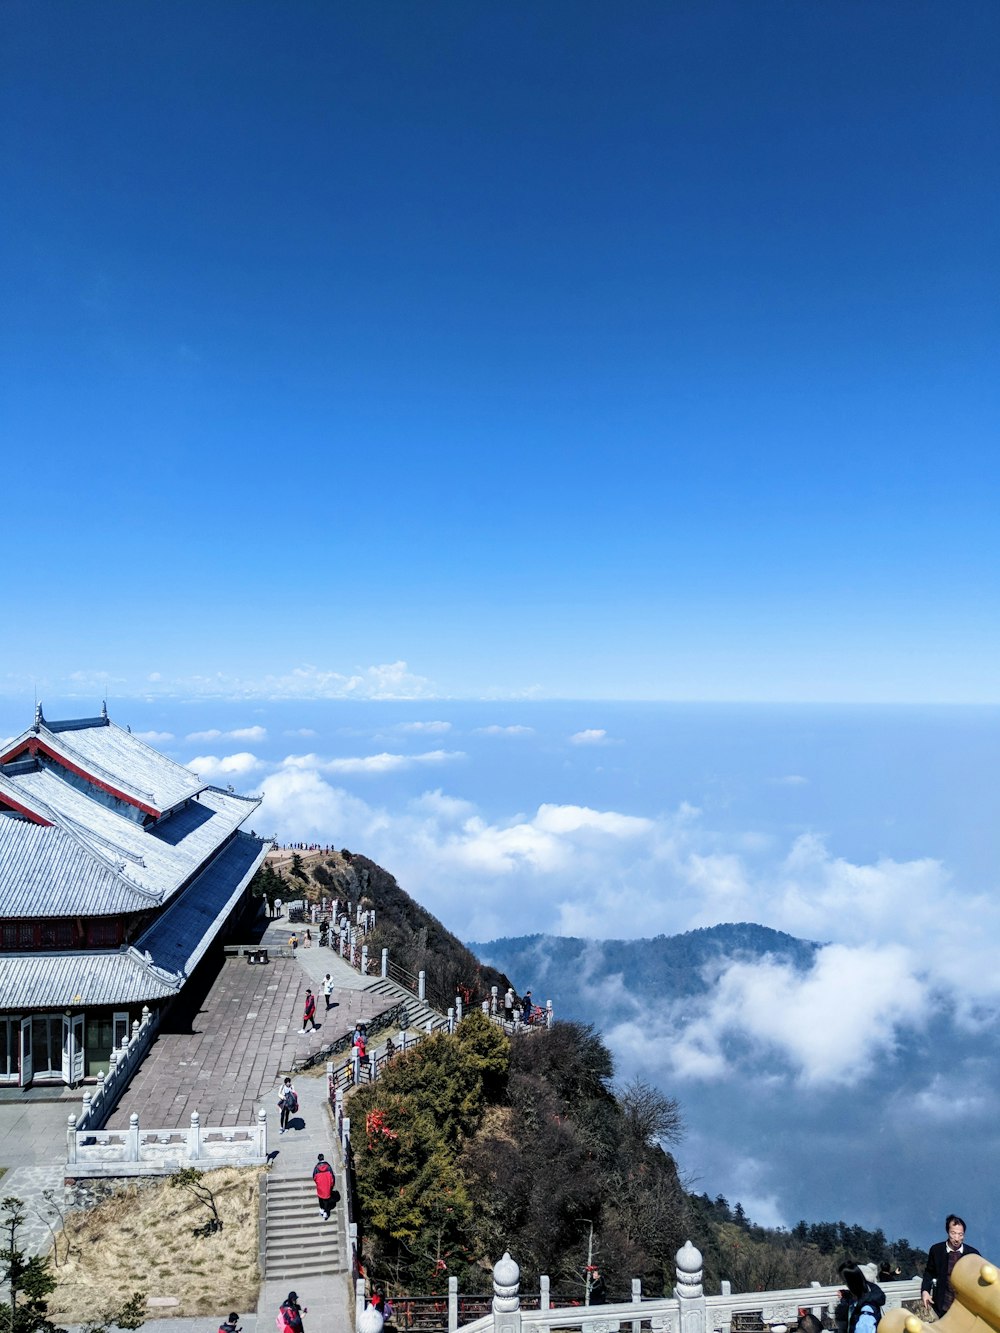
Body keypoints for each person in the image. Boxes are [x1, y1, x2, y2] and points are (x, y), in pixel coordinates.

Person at [922, 1215, 980, 1317]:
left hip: (965, 1308)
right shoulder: (937, 1250)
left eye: (960, 1234)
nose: (957, 1238)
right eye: (953, 1233)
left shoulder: (973, 1254)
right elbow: (929, 1272)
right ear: (948, 1232)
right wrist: (925, 1291)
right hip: (943, 1304)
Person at [839, 1262, 885, 1333]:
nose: (845, 1285)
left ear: (852, 1283)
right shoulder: (869, 1292)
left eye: (845, 1282)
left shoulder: (866, 1310)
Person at [312, 1152, 336, 1220]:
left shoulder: (316, 1167)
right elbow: (332, 1177)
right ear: (323, 1158)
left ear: (318, 1159)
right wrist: (332, 1184)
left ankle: (322, 1209)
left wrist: (318, 1182)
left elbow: (314, 1177)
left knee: (320, 1197)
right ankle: (325, 1211)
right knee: (326, 1199)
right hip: (327, 1185)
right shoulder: (328, 1166)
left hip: (320, 1185)